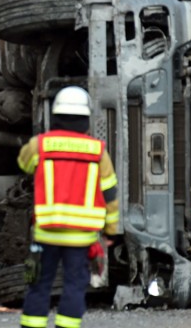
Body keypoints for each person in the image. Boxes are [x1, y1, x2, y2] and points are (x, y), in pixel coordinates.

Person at [17, 86, 119, 328]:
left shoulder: (40, 145)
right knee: (74, 286)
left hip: (46, 233)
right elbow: (110, 195)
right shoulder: (97, 151)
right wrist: (111, 231)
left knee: (40, 284)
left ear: (55, 117)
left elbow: (24, 164)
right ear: (86, 118)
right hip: (80, 237)